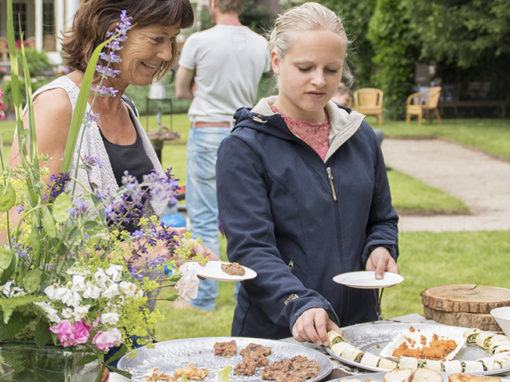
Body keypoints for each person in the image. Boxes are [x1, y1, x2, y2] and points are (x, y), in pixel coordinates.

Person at [216, 2, 399, 346]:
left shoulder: (360, 135)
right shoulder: (244, 147)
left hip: (358, 331)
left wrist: (382, 247)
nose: (319, 80)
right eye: (305, 67)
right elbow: (250, 248)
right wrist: (297, 302)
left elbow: (383, 219)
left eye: (332, 69)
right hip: (276, 335)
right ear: (276, 61)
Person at [6, 0, 216, 258]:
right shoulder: (56, 106)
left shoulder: (126, 109)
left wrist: (173, 246)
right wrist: (134, 255)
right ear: (112, 30)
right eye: (156, 39)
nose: (166, 54)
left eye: (172, 40)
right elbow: (18, 233)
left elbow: (129, 227)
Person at [175, 0, 270, 311]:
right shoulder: (261, 44)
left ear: (213, 3)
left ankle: (204, 299)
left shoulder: (198, 41)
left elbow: (180, 89)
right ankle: (247, 297)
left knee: (202, 217)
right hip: (244, 135)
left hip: (206, 131)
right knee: (244, 220)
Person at [332, 82, 385, 147]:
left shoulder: (324, 108)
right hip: (352, 142)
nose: (346, 102)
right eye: (346, 99)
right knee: (379, 133)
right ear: (339, 94)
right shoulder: (338, 109)